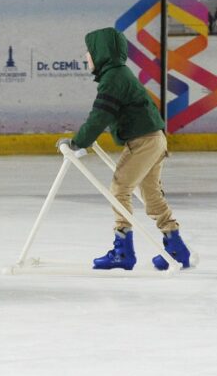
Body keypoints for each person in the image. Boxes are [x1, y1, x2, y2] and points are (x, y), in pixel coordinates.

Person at [57, 27, 192, 271]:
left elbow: (100, 116)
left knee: (119, 188)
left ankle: (123, 251)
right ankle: (177, 247)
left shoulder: (113, 79)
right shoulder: (119, 74)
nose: (86, 57)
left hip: (143, 142)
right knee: (151, 194)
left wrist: (78, 142)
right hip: (155, 138)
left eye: (89, 52)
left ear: (101, 53)